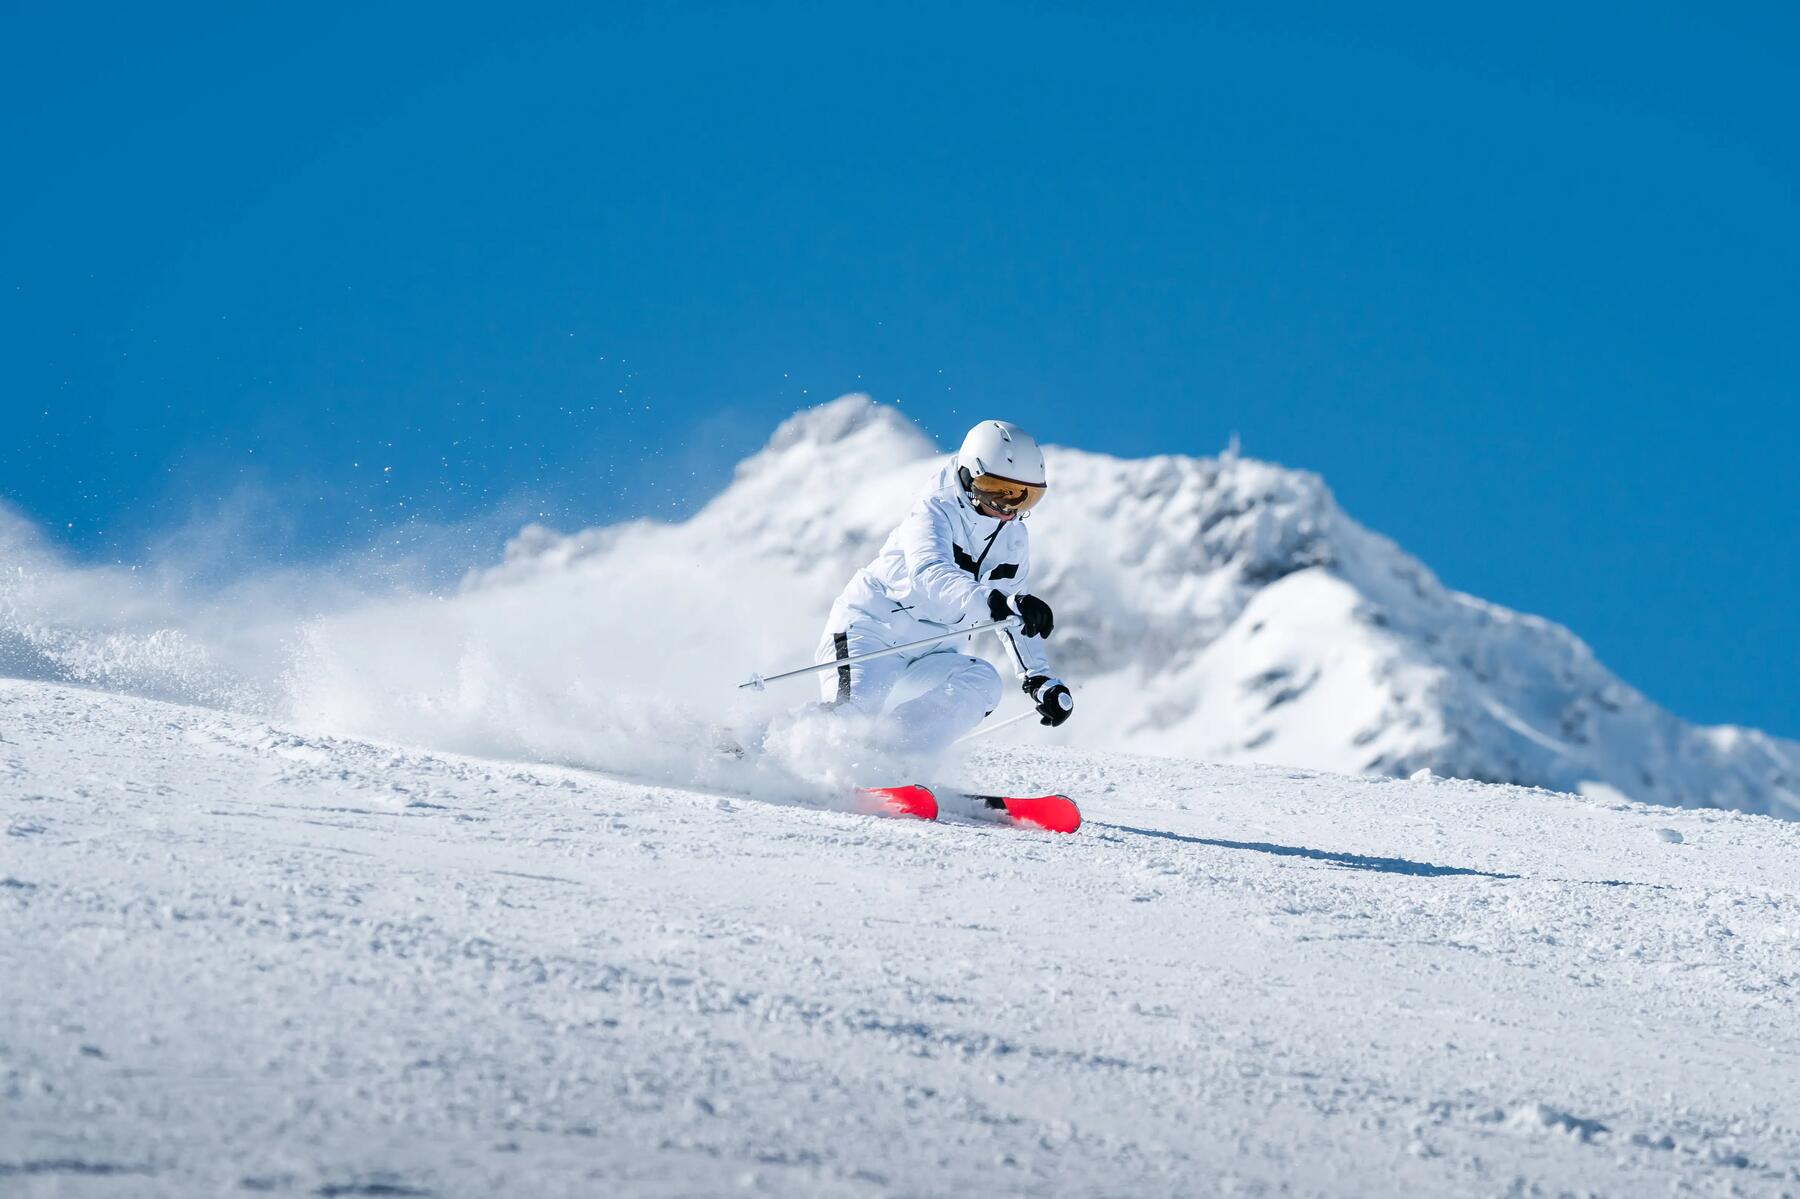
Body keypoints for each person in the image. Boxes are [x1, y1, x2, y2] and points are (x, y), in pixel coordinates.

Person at [812, 419, 1073, 753]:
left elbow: (1012, 616)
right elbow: (930, 573)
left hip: (936, 649)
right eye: (996, 491)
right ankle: (749, 745)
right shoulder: (934, 509)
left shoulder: (1014, 538)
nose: (1007, 509)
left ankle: (891, 757)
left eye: (1025, 498)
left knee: (981, 683)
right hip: (872, 631)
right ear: (968, 476)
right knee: (850, 717)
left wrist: (1038, 678)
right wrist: (997, 602)